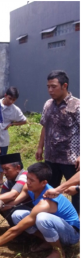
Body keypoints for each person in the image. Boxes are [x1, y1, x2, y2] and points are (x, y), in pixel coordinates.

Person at [0, 162, 81, 258]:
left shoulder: (45, 203)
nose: (28, 182)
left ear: (43, 183)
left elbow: (17, 229)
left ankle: (59, 252)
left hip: (72, 234)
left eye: (32, 180)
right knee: (17, 215)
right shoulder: (29, 187)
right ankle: (48, 241)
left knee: (42, 218)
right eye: (27, 178)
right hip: (58, 227)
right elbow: (13, 203)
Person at [35, 70, 81, 213]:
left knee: (76, 192)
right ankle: (53, 216)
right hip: (51, 157)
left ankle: (76, 224)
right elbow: (44, 126)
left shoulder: (77, 106)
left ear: (64, 85)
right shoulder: (48, 104)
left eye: (53, 86)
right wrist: (40, 147)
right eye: (48, 86)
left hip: (71, 159)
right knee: (50, 189)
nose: (50, 90)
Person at [0, 153, 30, 227]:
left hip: (31, 208)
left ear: (17, 168)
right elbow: (2, 197)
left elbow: (13, 195)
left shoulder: (25, 176)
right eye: (3, 169)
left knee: (5, 208)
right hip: (20, 206)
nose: (4, 172)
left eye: (7, 169)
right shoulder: (9, 180)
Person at [0, 87, 27, 185]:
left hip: (3, 138)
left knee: (2, 159)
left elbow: (24, 120)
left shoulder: (15, 110)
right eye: (10, 98)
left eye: (14, 100)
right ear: (5, 95)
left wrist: (12, 124)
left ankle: (0, 179)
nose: (11, 101)